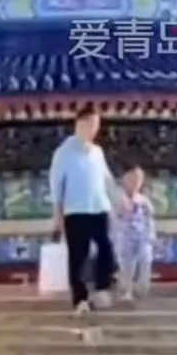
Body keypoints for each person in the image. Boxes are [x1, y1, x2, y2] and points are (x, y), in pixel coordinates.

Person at [48, 104, 120, 315]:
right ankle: (80, 299)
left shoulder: (97, 152)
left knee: (105, 247)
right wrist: (57, 214)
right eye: (91, 124)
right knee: (78, 256)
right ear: (80, 123)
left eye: (97, 125)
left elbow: (107, 179)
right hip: (76, 210)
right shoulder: (63, 153)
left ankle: (102, 287)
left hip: (99, 208)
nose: (94, 129)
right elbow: (56, 185)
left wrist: (119, 200)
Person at [115, 166, 156, 302]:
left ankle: (141, 288)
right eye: (132, 179)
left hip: (142, 236)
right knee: (127, 265)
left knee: (145, 260)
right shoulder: (119, 199)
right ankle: (125, 290)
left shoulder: (144, 201)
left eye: (138, 180)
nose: (135, 183)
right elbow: (114, 217)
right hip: (125, 236)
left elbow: (150, 219)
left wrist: (151, 235)